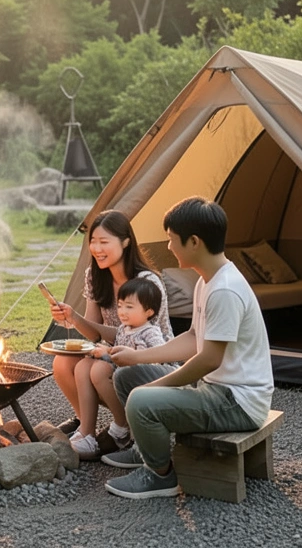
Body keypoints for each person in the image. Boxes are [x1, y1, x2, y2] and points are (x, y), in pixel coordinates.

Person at [101, 197, 273, 500]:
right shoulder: (207, 281)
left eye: (171, 239)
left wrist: (155, 388)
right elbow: (194, 337)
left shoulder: (225, 289)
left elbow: (209, 358)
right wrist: (137, 357)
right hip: (218, 391)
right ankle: (146, 451)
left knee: (141, 401)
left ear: (194, 241)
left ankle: (160, 475)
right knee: (127, 377)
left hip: (237, 401)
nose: (168, 247)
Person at [47, 210, 173, 456]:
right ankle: (87, 431)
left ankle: (123, 429)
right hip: (110, 351)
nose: (96, 248)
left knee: (95, 368)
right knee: (62, 363)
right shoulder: (95, 275)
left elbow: (139, 338)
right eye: (93, 241)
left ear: (126, 242)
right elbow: (93, 332)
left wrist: (99, 344)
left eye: (104, 242)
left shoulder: (147, 283)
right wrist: (73, 317)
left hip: (146, 355)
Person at [71, 277, 167, 459]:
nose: (122, 311)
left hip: (138, 380)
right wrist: (103, 351)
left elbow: (158, 356)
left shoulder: (150, 331)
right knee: (84, 365)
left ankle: (121, 424)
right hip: (119, 374)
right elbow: (115, 352)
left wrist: (131, 356)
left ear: (149, 311)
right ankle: (86, 432)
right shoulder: (124, 329)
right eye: (120, 306)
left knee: (99, 370)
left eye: (129, 307)